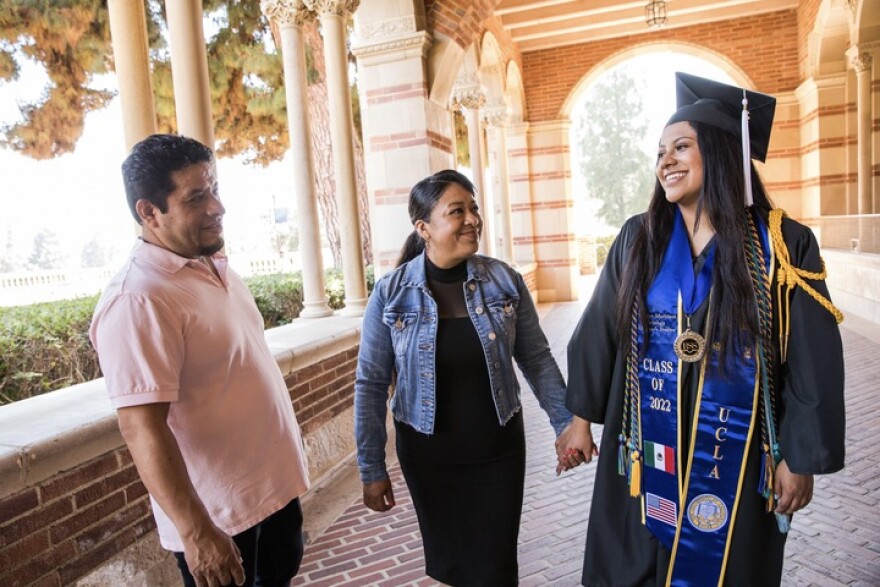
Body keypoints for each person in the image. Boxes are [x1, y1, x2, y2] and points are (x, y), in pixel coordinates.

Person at [565, 73, 846, 586]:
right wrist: (581, 418)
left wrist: (799, 456)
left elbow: (811, 355)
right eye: (659, 152)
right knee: (637, 559)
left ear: (719, 152)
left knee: (726, 566)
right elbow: (599, 331)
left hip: (735, 457)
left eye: (680, 147)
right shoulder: (638, 238)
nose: (665, 161)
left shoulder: (782, 245)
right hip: (647, 446)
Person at [89, 134, 310, 587]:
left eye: (213, 188)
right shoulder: (139, 299)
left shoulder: (209, 264)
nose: (217, 207)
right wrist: (197, 533)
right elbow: (140, 427)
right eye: (196, 197)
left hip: (272, 496)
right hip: (222, 522)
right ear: (149, 212)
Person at [355, 169, 592, 586]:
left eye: (474, 208)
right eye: (457, 211)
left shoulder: (503, 281)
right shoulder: (391, 293)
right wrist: (371, 467)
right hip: (429, 455)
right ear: (423, 228)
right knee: (453, 566)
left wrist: (564, 423)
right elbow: (372, 383)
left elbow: (536, 359)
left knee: (497, 567)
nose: (472, 219)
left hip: (497, 449)